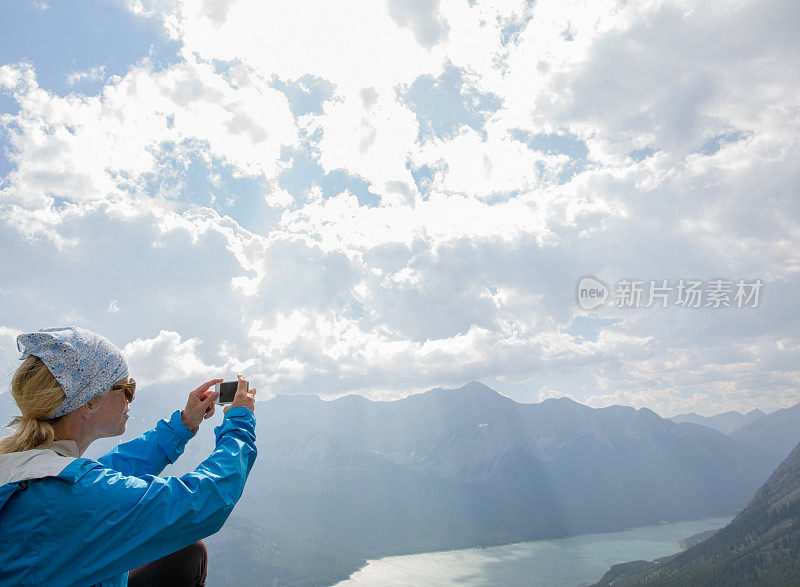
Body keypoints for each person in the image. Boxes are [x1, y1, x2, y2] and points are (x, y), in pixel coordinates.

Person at [0, 326, 258, 586]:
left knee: (187, 554)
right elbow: (205, 500)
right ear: (90, 402)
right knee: (190, 550)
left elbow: (114, 470)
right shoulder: (75, 496)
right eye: (126, 388)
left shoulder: (26, 468)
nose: (130, 400)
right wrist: (239, 424)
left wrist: (184, 424)